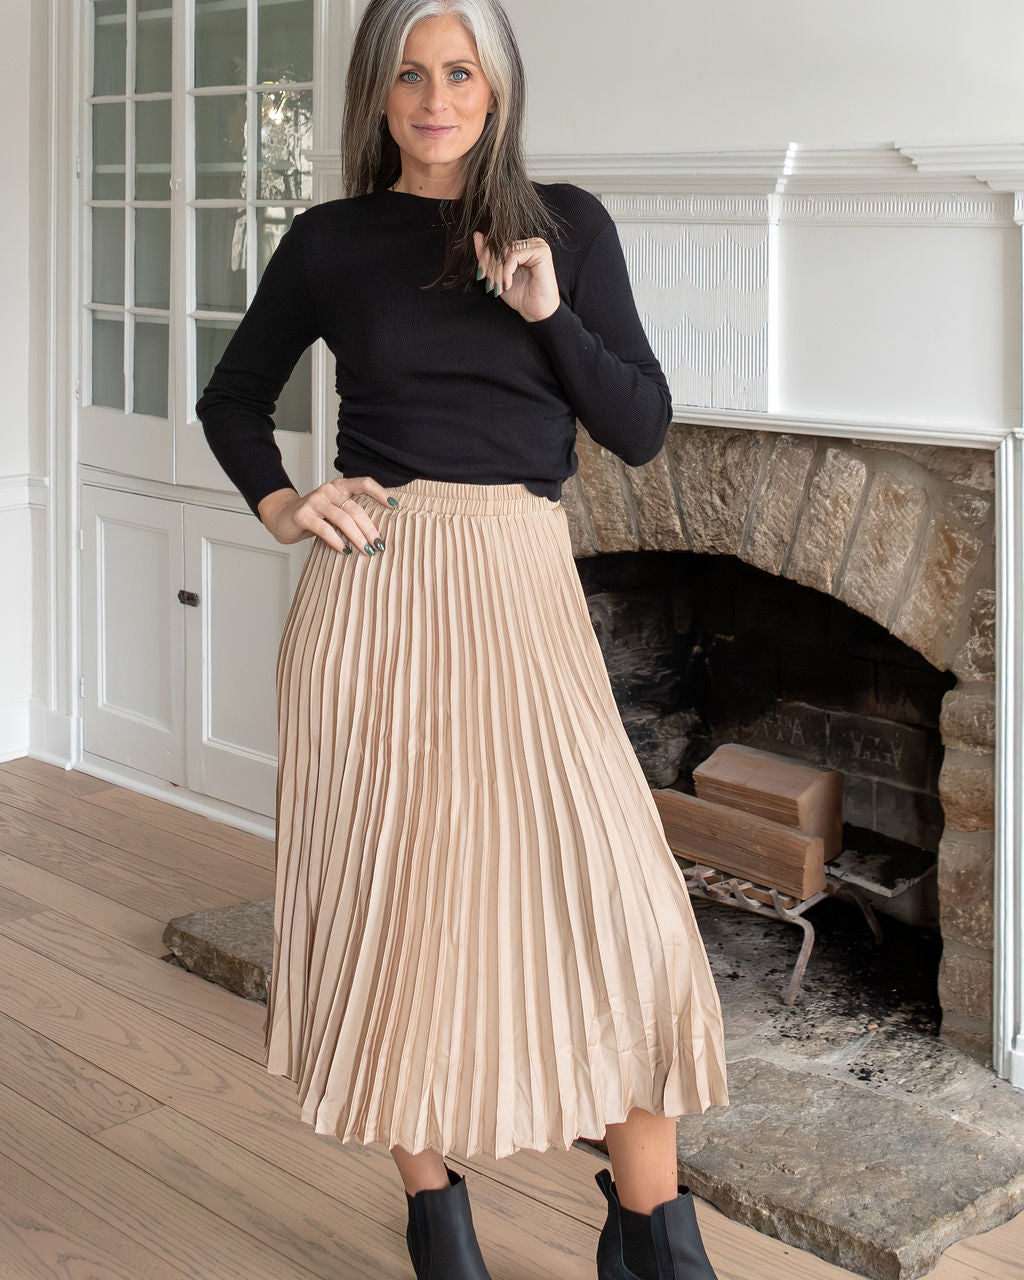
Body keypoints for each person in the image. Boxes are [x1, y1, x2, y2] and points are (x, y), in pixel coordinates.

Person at [197, 1, 729, 1276]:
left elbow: (641, 427)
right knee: (398, 926)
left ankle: (653, 1236)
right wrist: (285, 504)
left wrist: (546, 311)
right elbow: (233, 400)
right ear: (377, 93)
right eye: (409, 74)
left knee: (626, 915)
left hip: (520, 583)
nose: (435, 98)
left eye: (459, 72)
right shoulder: (332, 241)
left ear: (497, 88)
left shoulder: (566, 228)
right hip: (374, 597)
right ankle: (436, 1212)